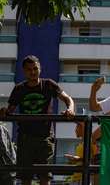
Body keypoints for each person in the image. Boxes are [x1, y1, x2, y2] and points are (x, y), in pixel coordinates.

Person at [0, 55, 75, 185]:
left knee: (45, 177)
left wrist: (71, 109)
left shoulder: (49, 84)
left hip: (45, 138)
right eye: (29, 69)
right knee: (25, 178)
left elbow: (68, 99)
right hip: (25, 138)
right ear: (24, 71)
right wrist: (4, 111)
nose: (33, 72)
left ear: (40, 69)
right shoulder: (19, 88)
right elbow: (9, 111)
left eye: (35, 68)